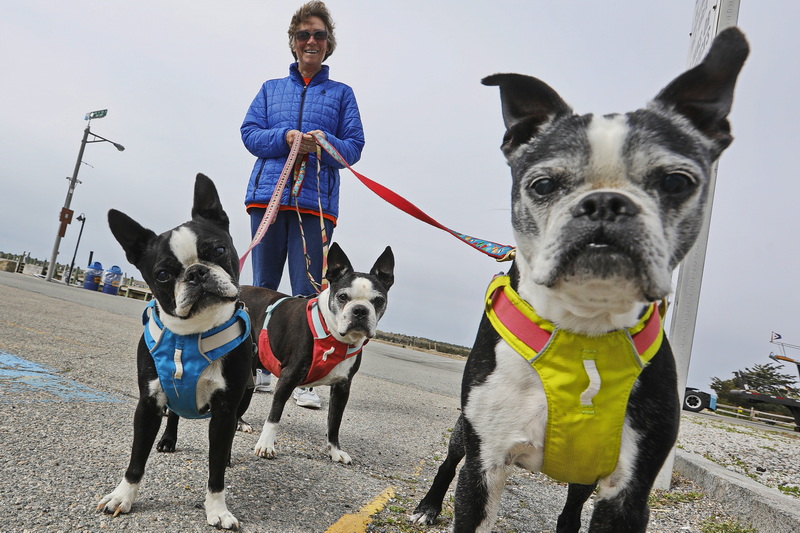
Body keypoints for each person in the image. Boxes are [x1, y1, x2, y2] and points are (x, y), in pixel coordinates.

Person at [241, 1, 365, 409]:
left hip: (316, 205)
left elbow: (353, 148)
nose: (311, 41)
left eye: (319, 35)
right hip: (268, 198)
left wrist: (321, 145)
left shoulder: (342, 94)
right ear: (293, 43)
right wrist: (287, 138)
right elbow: (250, 133)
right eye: (303, 35)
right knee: (263, 288)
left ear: (329, 44)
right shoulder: (269, 89)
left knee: (310, 289)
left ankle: (306, 375)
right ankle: (257, 367)